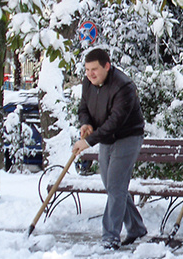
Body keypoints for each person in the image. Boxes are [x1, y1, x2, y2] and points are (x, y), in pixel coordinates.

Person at [72, 48, 147, 250]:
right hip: (105, 138)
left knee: (115, 186)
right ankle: (137, 228)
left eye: (94, 69)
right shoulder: (88, 83)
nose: (90, 74)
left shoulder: (124, 86)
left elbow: (115, 122)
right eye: (87, 70)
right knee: (113, 186)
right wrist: (86, 123)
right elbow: (83, 108)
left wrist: (87, 143)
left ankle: (110, 236)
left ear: (107, 66)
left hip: (127, 136)